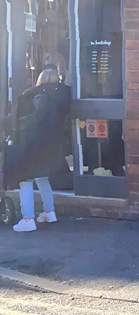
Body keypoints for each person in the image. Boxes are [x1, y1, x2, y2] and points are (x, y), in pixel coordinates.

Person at [5, 68, 72, 232]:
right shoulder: (62, 97)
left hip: (31, 142)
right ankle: (49, 212)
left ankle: (28, 219)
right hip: (49, 144)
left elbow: (39, 114)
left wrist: (19, 123)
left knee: (25, 180)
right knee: (42, 178)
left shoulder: (37, 95)